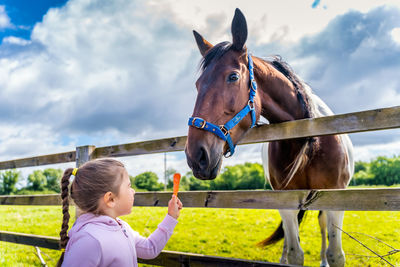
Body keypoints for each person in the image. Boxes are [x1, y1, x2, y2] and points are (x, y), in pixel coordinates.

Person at [57, 158, 183, 267]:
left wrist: (171, 217)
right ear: (110, 199)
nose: (133, 191)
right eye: (129, 186)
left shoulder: (121, 228)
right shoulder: (89, 240)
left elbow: (150, 248)